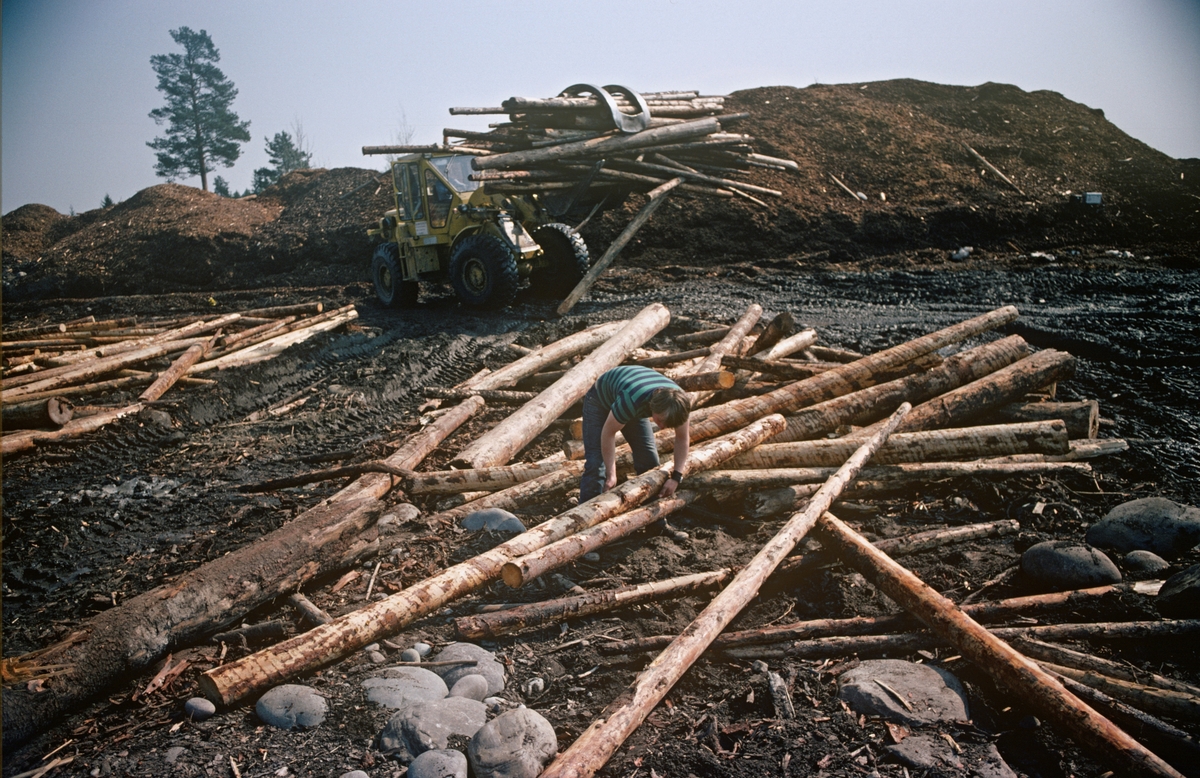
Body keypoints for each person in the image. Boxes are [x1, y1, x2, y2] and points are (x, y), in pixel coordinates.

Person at [580, 365, 691, 503]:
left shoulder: (679, 406)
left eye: (668, 425)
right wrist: (611, 474)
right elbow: (608, 433)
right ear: (652, 406)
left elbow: (682, 439)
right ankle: (584, 516)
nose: (662, 427)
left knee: (649, 460)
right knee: (596, 466)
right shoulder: (631, 400)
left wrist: (676, 477)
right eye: (661, 421)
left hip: (631, 394)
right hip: (600, 400)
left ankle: (653, 518)